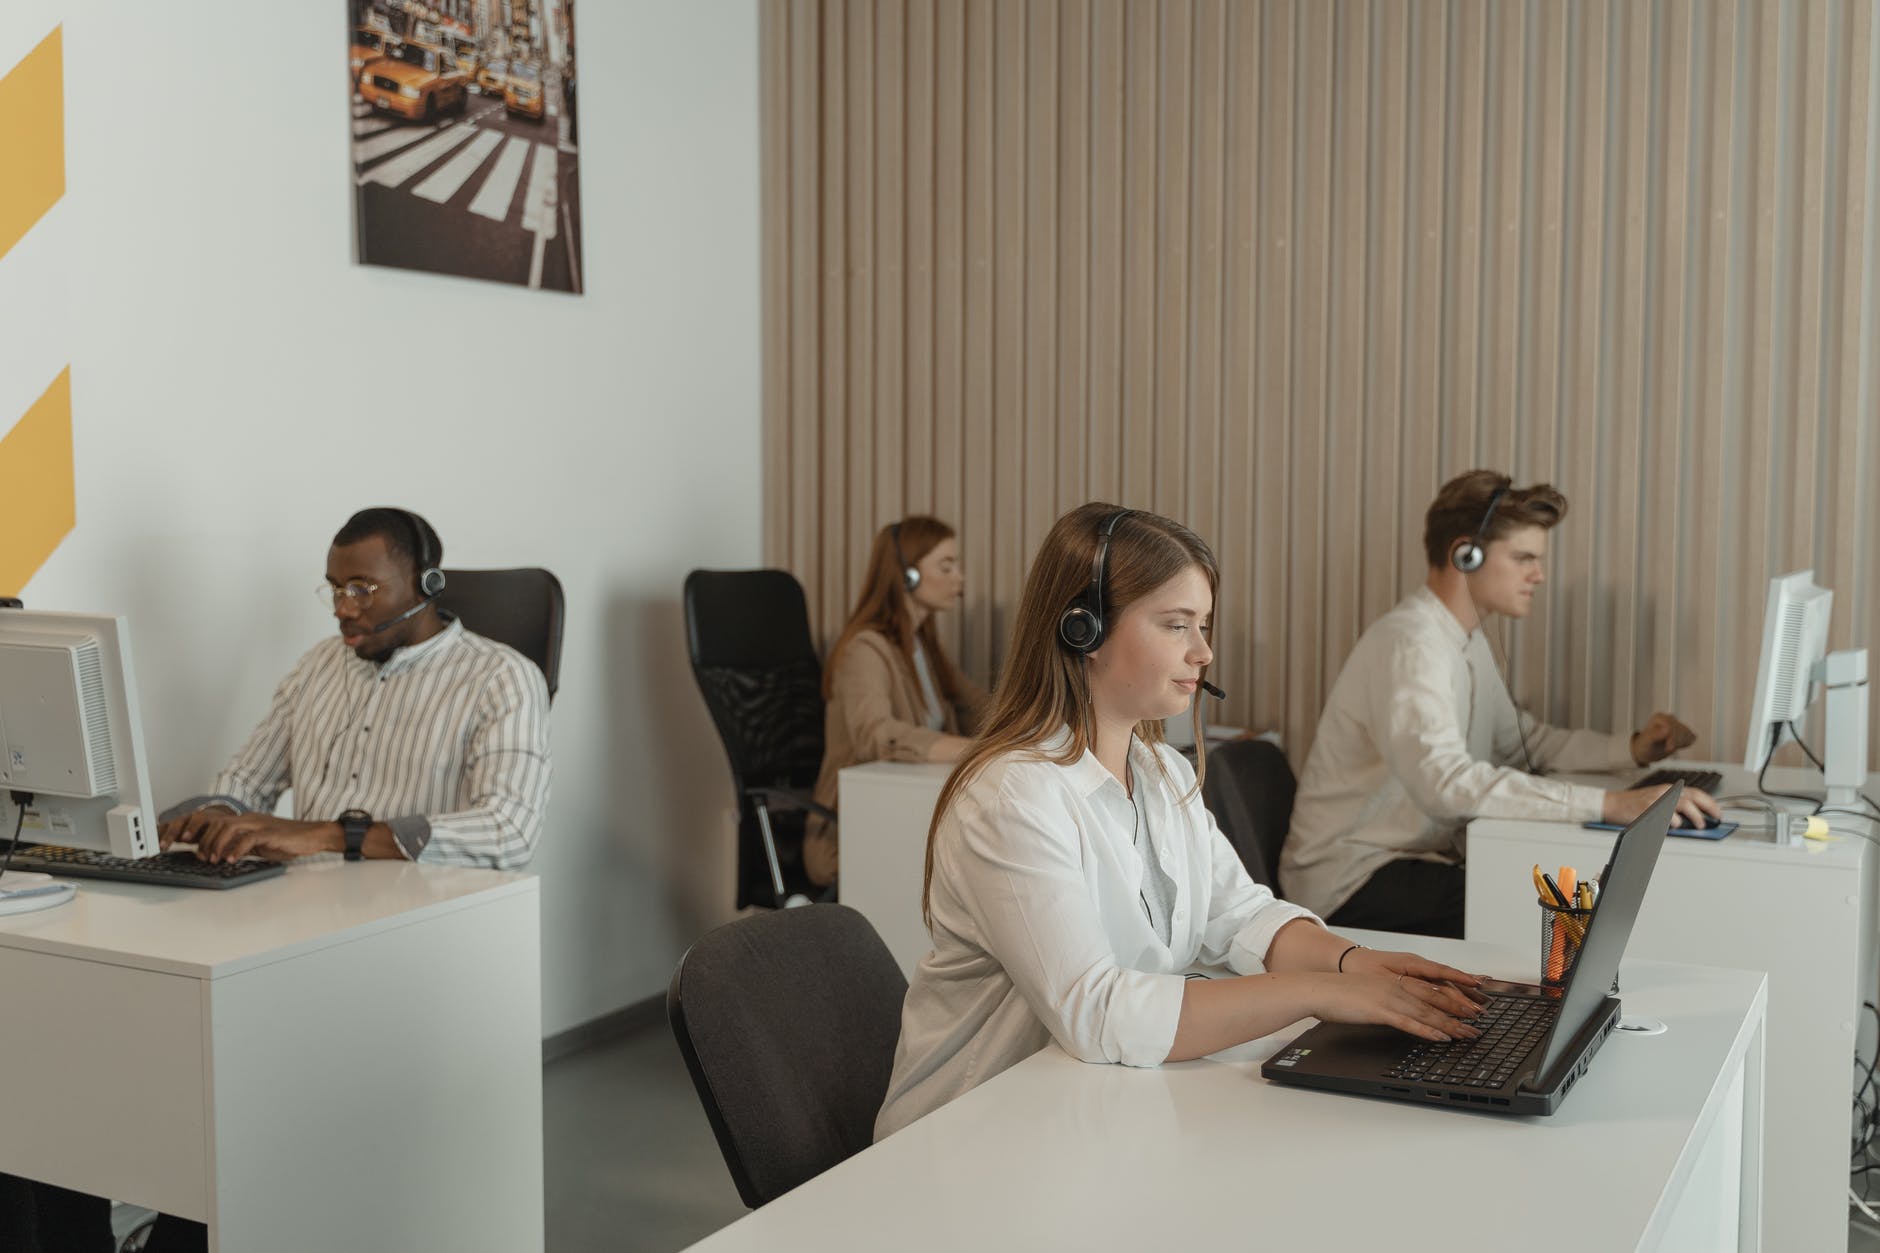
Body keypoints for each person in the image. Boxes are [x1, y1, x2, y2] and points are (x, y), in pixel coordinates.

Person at [0, 508, 554, 1253]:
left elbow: (509, 828)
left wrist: (328, 833)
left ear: (426, 583)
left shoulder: (502, 678)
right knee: (101, 1049)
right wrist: (203, 819)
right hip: (297, 931)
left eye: (363, 587)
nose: (344, 608)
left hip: (416, 951)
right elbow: (242, 782)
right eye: (331, 588)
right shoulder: (317, 666)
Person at [874, 504, 1484, 1140]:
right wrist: (1316, 994)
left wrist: (1355, 964)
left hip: (1089, 1110)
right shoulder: (1012, 798)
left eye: (1204, 625)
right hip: (966, 1137)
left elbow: (1239, 915)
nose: (1204, 650)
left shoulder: (1161, 770)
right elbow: (1098, 1010)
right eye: (1176, 625)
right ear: (1082, 629)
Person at [1280, 470, 1719, 938]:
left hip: (1412, 861)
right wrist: (1609, 804)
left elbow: (1526, 743)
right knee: (1543, 914)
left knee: (1559, 901)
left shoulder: (1466, 642)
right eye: (1524, 558)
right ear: (1464, 555)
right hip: (1352, 879)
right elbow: (1444, 784)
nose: (1539, 575)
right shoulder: (1411, 645)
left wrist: (1632, 751)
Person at [805, 515, 987, 887]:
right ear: (908, 576)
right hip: (853, 828)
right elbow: (876, 733)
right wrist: (971, 749)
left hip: (904, 813)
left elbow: (979, 705)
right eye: (946, 566)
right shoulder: (866, 649)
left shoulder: (924, 647)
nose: (960, 579)